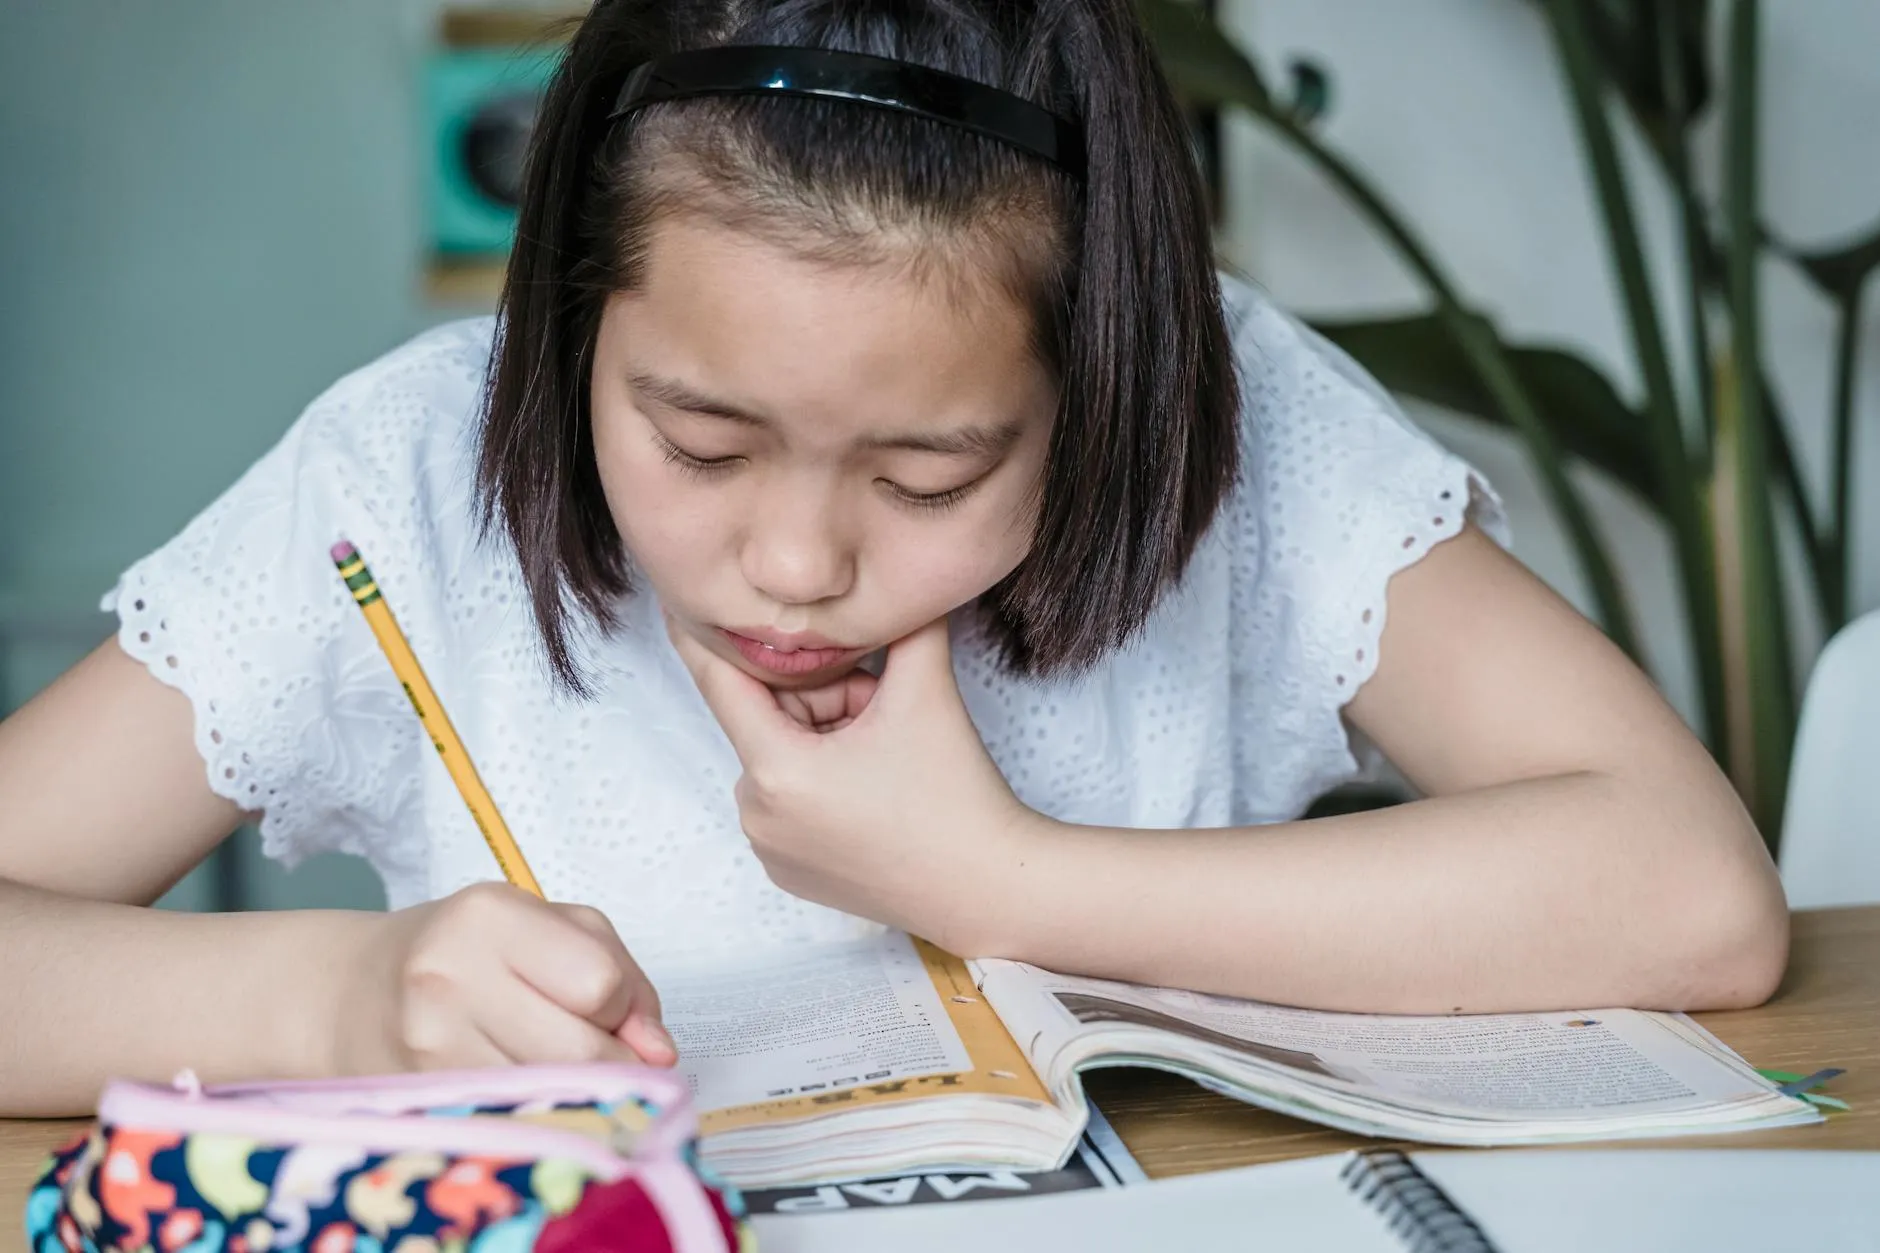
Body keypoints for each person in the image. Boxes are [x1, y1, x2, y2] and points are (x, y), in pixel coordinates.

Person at [0, 0, 1787, 1118]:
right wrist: (346, 999)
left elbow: (1691, 890)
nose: (792, 561)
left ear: (1104, 383)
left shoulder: (1238, 432)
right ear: (564, 335)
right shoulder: (397, 483)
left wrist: (999, 878)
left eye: (932, 472)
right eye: (697, 445)